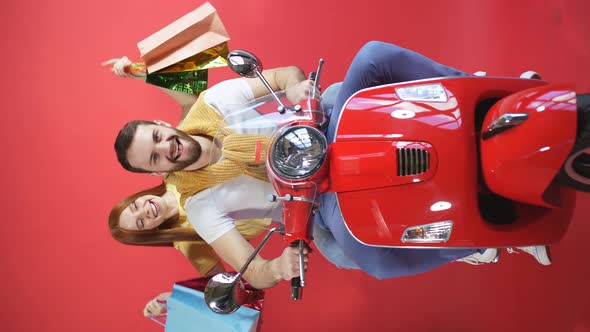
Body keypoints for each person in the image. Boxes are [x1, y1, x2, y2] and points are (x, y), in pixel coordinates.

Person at [109, 41, 551, 290]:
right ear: (154, 174)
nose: (167, 147)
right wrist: (278, 268)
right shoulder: (199, 206)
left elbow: (282, 76)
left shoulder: (211, 102)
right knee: (369, 259)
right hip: (317, 200)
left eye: (159, 136)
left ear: (162, 122)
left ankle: (478, 88)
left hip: (328, 124)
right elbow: (255, 271)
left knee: (373, 56)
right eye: (154, 156)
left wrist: (297, 87)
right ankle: (480, 242)